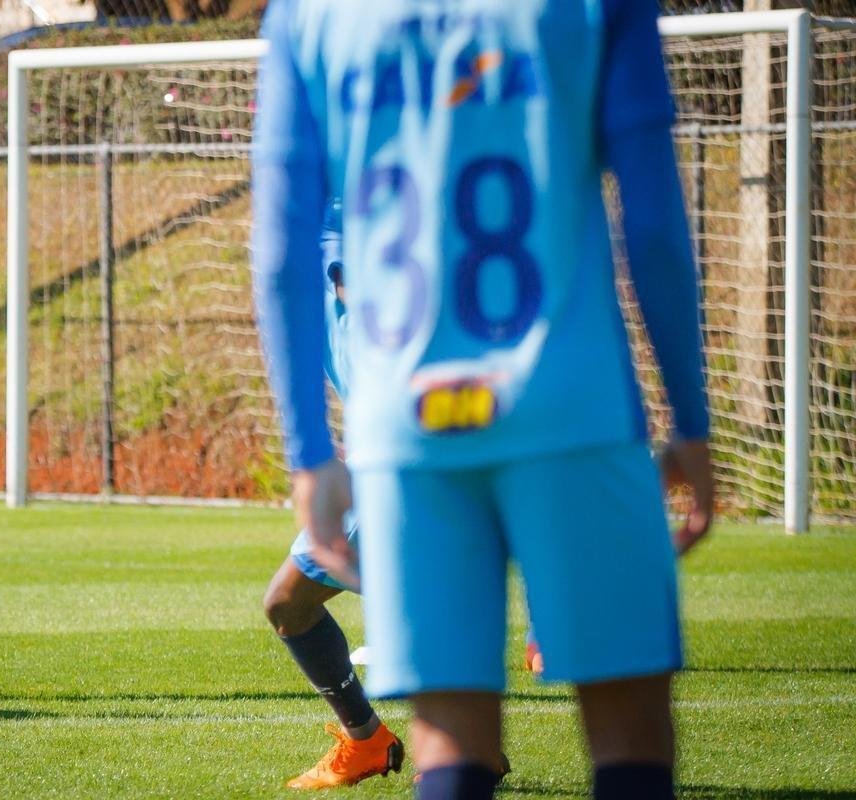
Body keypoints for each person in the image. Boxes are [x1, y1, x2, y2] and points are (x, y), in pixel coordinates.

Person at [251, 2, 715, 799]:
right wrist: (691, 421)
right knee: (631, 739)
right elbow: (653, 222)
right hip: (570, 402)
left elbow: (278, 255)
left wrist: (308, 456)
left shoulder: (308, 15)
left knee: (454, 752)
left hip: (410, 430)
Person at [262, 198, 405, 789]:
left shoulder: (339, 226)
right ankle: (378, 739)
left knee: (288, 604)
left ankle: (377, 740)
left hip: (398, 457)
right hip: (395, 449)